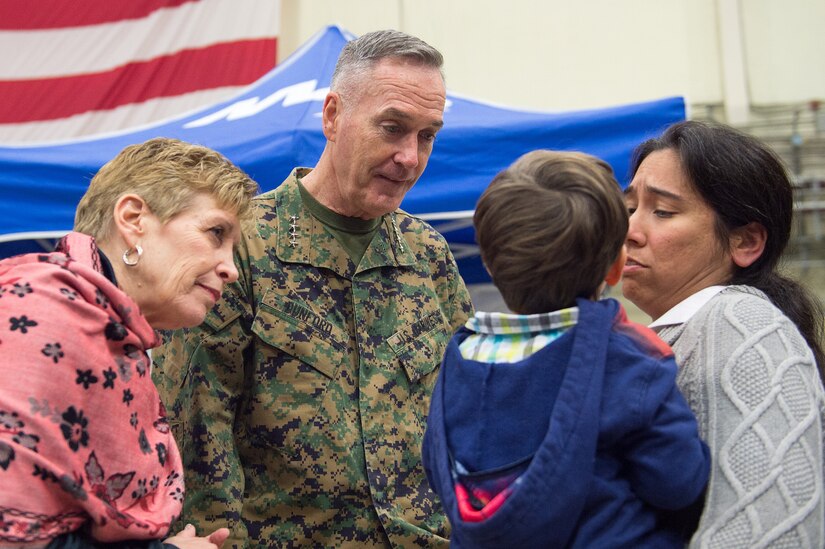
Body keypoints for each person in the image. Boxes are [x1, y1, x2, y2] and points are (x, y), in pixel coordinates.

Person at [151, 30, 474, 547]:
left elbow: (466, 419)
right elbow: (197, 430)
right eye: (392, 128)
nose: (409, 157)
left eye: (427, 135)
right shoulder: (241, 245)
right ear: (332, 116)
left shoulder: (428, 255)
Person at [421, 150, 711, 547]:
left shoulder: (461, 358)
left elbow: (436, 468)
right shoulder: (631, 359)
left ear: (490, 264)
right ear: (615, 267)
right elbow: (678, 483)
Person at [0, 137, 258, 548]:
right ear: (134, 218)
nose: (229, 268)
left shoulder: (112, 339)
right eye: (215, 233)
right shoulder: (35, 311)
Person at [622, 120, 825, 548]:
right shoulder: (681, 332)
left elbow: (773, 531)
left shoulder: (742, 324)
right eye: (629, 208)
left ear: (746, 241)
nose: (630, 231)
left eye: (662, 211)